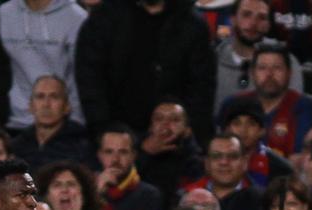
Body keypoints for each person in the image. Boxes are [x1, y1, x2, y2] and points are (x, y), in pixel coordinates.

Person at [75, 0, 215, 143]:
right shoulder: (103, 20)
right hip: (116, 142)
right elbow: (90, 81)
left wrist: (186, 130)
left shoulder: (193, 24)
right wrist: (104, 132)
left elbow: (202, 88)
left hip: (177, 142)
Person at [0, 0, 88, 130]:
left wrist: (76, 122)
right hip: (15, 122)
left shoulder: (76, 17)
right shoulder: (5, 13)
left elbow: (83, 77)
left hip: (64, 124)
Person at [222, 41, 312, 159]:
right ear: (252, 73)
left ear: (289, 74)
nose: (269, 74)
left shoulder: (303, 107)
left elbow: (300, 159)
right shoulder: (233, 104)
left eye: (277, 68)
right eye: (262, 68)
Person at [213, 0, 305, 110]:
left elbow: (293, 113)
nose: (253, 23)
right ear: (233, 19)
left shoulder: (287, 62)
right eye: (246, 15)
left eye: (261, 17)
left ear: (268, 25)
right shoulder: (212, 61)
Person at [182, 133, 265, 210]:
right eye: (216, 156)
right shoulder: (185, 197)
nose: (224, 162)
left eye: (232, 156)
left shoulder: (261, 200)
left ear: (245, 162)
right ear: (206, 163)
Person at [9, 76, 96, 172]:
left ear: (67, 107)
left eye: (54, 97)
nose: (46, 104)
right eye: (40, 97)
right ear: (31, 106)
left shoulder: (83, 145)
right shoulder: (18, 145)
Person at [135, 101, 207, 207]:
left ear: (187, 130)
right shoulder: (134, 151)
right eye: (159, 119)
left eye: (174, 120)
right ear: (150, 127)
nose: (165, 125)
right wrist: (145, 154)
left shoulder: (197, 160)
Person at [95, 124, 164, 210]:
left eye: (123, 152)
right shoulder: (86, 191)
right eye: (109, 152)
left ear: (133, 155)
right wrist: (96, 193)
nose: (115, 160)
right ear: (100, 155)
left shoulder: (149, 195)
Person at [219, 96, 293, 188]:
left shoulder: (281, 169)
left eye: (251, 124)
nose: (243, 130)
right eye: (237, 123)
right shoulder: (213, 163)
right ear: (227, 130)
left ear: (262, 131)